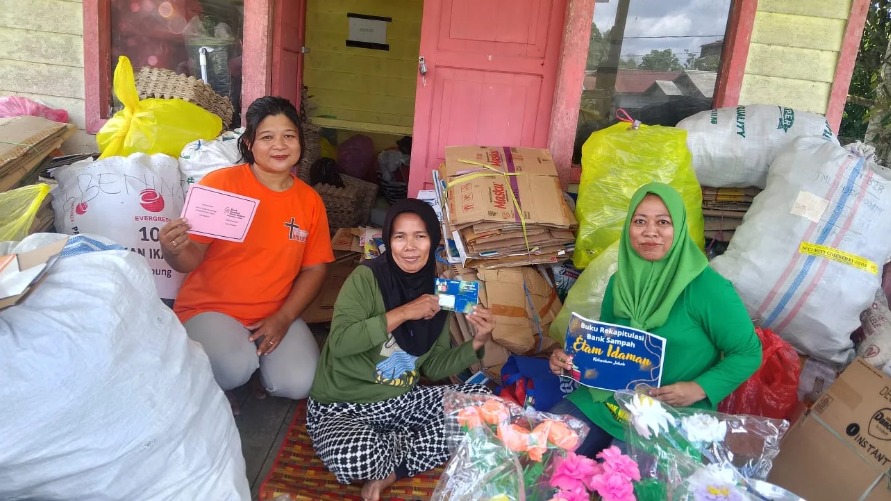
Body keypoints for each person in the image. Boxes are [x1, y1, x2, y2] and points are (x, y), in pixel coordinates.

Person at [549, 182, 762, 457]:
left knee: (621, 479)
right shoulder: (620, 281)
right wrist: (570, 360)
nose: (650, 232)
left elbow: (748, 352)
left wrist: (699, 389)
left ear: (680, 228)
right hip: (607, 400)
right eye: (640, 221)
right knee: (541, 453)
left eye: (663, 222)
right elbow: (609, 344)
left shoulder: (708, 288)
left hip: (669, 414)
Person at [307, 198, 495, 501]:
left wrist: (478, 341)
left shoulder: (439, 293)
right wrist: (405, 312)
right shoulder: (366, 278)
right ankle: (404, 446)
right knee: (355, 456)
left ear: (433, 241)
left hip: (400, 401)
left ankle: (392, 471)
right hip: (343, 406)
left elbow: (432, 367)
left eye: (420, 236)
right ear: (388, 240)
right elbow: (340, 343)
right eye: (400, 236)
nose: (410, 247)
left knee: (484, 405)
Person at [160, 96, 333, 405]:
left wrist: (284, 317)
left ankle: (255, 368)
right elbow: (190, 258)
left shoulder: (310, 201)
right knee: (231, 369)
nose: (279, 145)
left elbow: (315, 268)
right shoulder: (221, 184)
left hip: (275, 312)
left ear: (300, 142)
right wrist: (172, 249)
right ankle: (234, 376)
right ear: (249, 143)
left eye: (289, 136)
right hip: (211, 309)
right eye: (267, 137)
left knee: (299, 383)